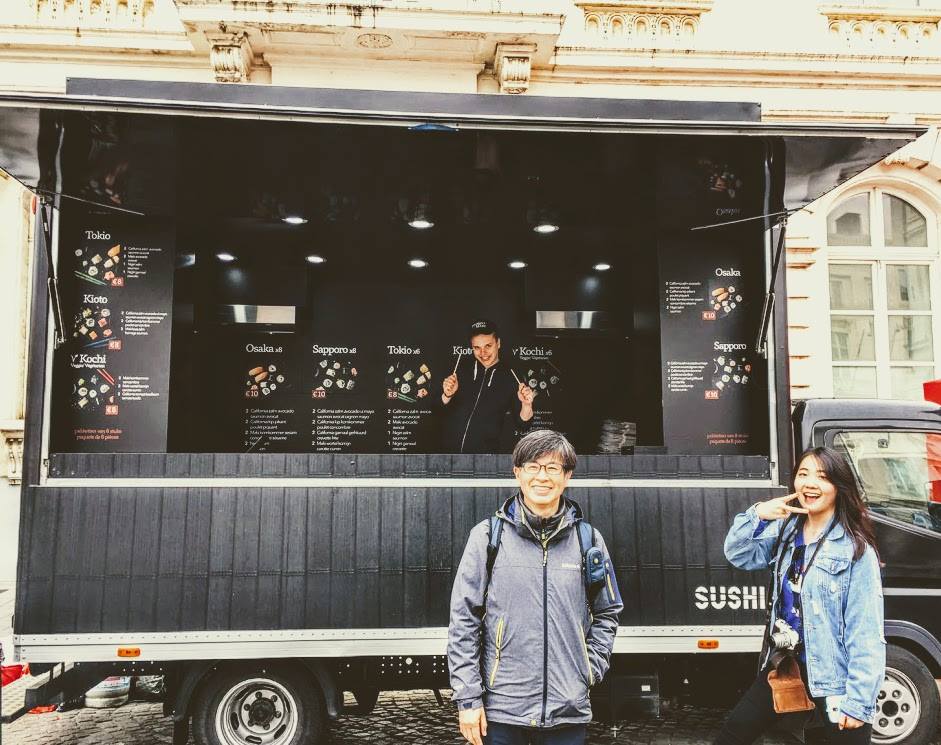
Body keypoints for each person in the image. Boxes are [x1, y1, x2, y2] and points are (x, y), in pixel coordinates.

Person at [447, 429, 623, 745]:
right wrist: (468, 699)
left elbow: (608, 612)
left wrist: (589, 669)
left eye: (553, 467)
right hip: (502, 712)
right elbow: (464, 621)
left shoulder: (589, 540)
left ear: (567, 476)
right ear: (518, 473)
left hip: (567, 711)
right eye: (533, 466)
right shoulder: (487, 537)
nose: (542, 476)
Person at [716, 446, 885, 745]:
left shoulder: (855, 550)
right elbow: (738, 554)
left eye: (822, 477)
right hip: (786, 666)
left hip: (834, 678)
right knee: (733, 734)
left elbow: (866, 633)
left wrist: (859, 702)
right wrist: (758, 514)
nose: (810, 483)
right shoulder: (786, 532)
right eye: (803, 474)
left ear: (838, 486)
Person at [440, 319, 535, 453]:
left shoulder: (511, 376)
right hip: (448, 454)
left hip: (484, 457)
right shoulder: (460, 368)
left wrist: (526, 405)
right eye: (477, 348)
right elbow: (436, 409)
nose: (483, 353)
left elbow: (523, 425)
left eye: (488, 346)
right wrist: (447, 395)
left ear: (498, 343)